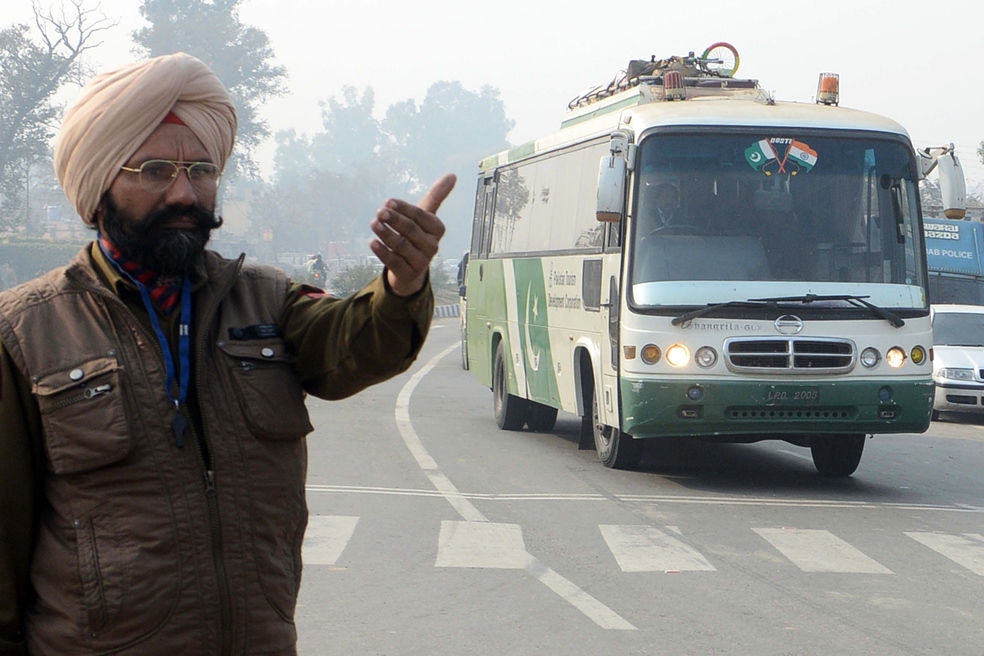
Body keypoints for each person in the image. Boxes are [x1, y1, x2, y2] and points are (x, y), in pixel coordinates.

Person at [0, 52, 455, 656]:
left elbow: (354, 344)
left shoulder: (264, 300)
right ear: (100, 182)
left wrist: (401, 285)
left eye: (202, 170)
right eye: (157, 169)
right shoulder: (26, 332)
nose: (185, 192)